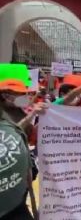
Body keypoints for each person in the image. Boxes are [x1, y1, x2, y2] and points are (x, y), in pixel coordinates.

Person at [0, 79, 47, 220]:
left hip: (21, 173)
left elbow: (31, 137)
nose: (22, 97)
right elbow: (10, 135)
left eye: (23, 93)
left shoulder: (19, 111)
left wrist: (46, 122)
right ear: (5, 95)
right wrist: (32, 115)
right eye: (18, 94)